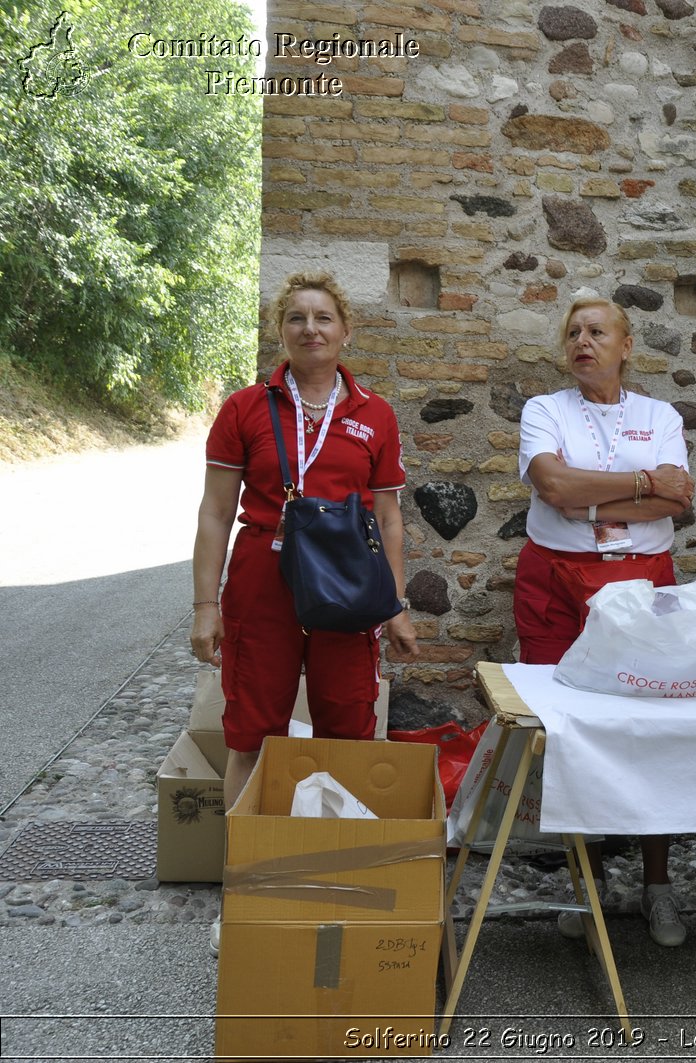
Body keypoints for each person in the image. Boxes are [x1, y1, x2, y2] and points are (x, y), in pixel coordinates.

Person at [191, 271, 418, 951]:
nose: (310, 328)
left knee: (347, 730)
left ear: (346, 331)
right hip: (264, 577)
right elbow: (213, 513)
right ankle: (244, 889)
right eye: (296, 317)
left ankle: (332, 879)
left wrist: (398, 604)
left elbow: (389, 515)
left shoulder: (373, 412)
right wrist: (205, 605)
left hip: (347, 583)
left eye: (323, 317)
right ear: (279, 331)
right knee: (251, 733)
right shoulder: (244, 408)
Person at [515, 295, 696, 947]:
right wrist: (642, 483)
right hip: (555, 586)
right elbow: (553, 488)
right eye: (572, 332)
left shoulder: (661, 414)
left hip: (641, 583)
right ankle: (583, 889)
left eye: (597, 331)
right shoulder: (544, 410)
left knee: (651, 732)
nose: (582, 340)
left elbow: (680, 496)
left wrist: (602, 494)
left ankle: (658, 885)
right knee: (566, 734)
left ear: (626, 346)